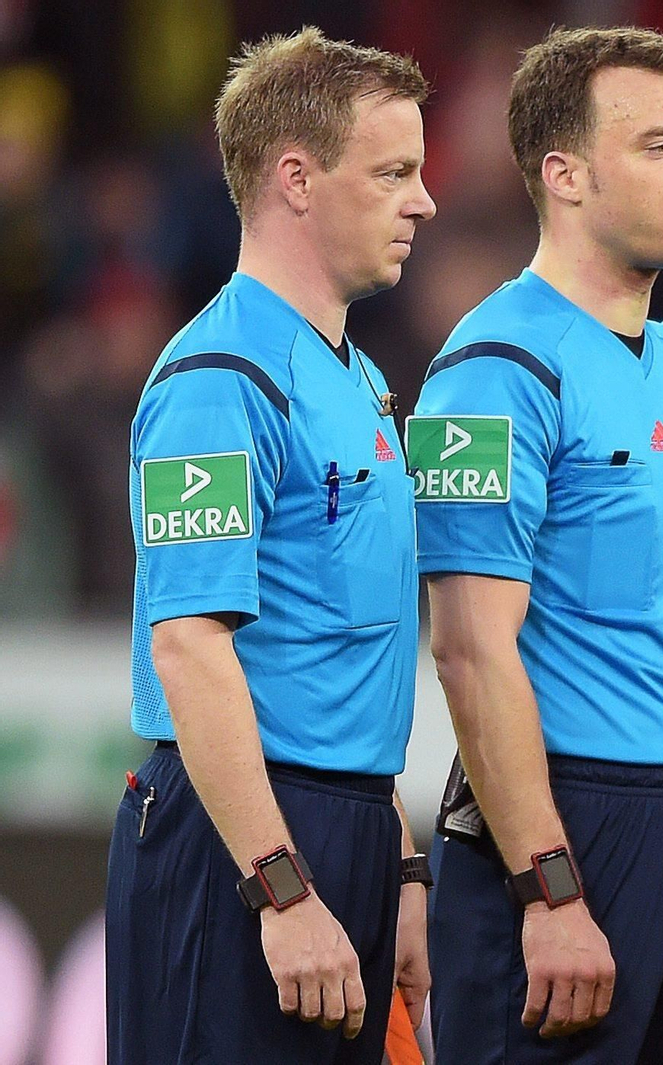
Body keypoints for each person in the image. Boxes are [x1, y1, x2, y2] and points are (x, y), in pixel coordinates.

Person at [414, 27, 663, 1064]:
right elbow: (468, 648)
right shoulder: (492, 371)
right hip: (566, 822)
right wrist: (547, 888)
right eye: (658, 145)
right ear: (567, 175)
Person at [110, 28, 436, 1065]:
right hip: (241, 844)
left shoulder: (353, 378)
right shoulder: (218, 380)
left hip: (338, 830)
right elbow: (190, 647)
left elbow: (345, 652)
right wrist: (281, 887)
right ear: (296, 178)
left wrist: (401, 861)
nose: (423, 200)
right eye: (392, 172)